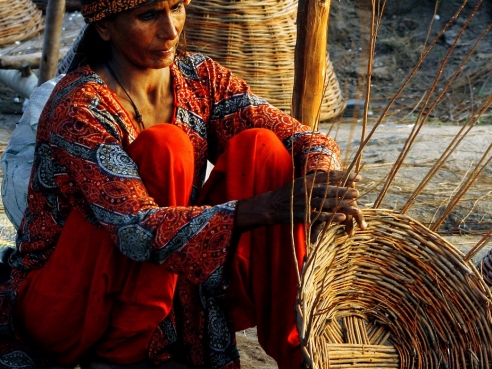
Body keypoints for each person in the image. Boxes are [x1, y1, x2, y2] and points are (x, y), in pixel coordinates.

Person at [0, 0, 366, 367]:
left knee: (264, 149)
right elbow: (135, 230)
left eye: (176, 7)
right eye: (148, 16)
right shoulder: (79, 106)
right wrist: (270, 206)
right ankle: (125, 353)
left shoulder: (199, 77)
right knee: (166, 147)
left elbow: (303, 139)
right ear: (105, 27)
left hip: (173, 287)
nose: (171, 28)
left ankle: (297, 347)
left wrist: (319, 183)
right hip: (68, 303)